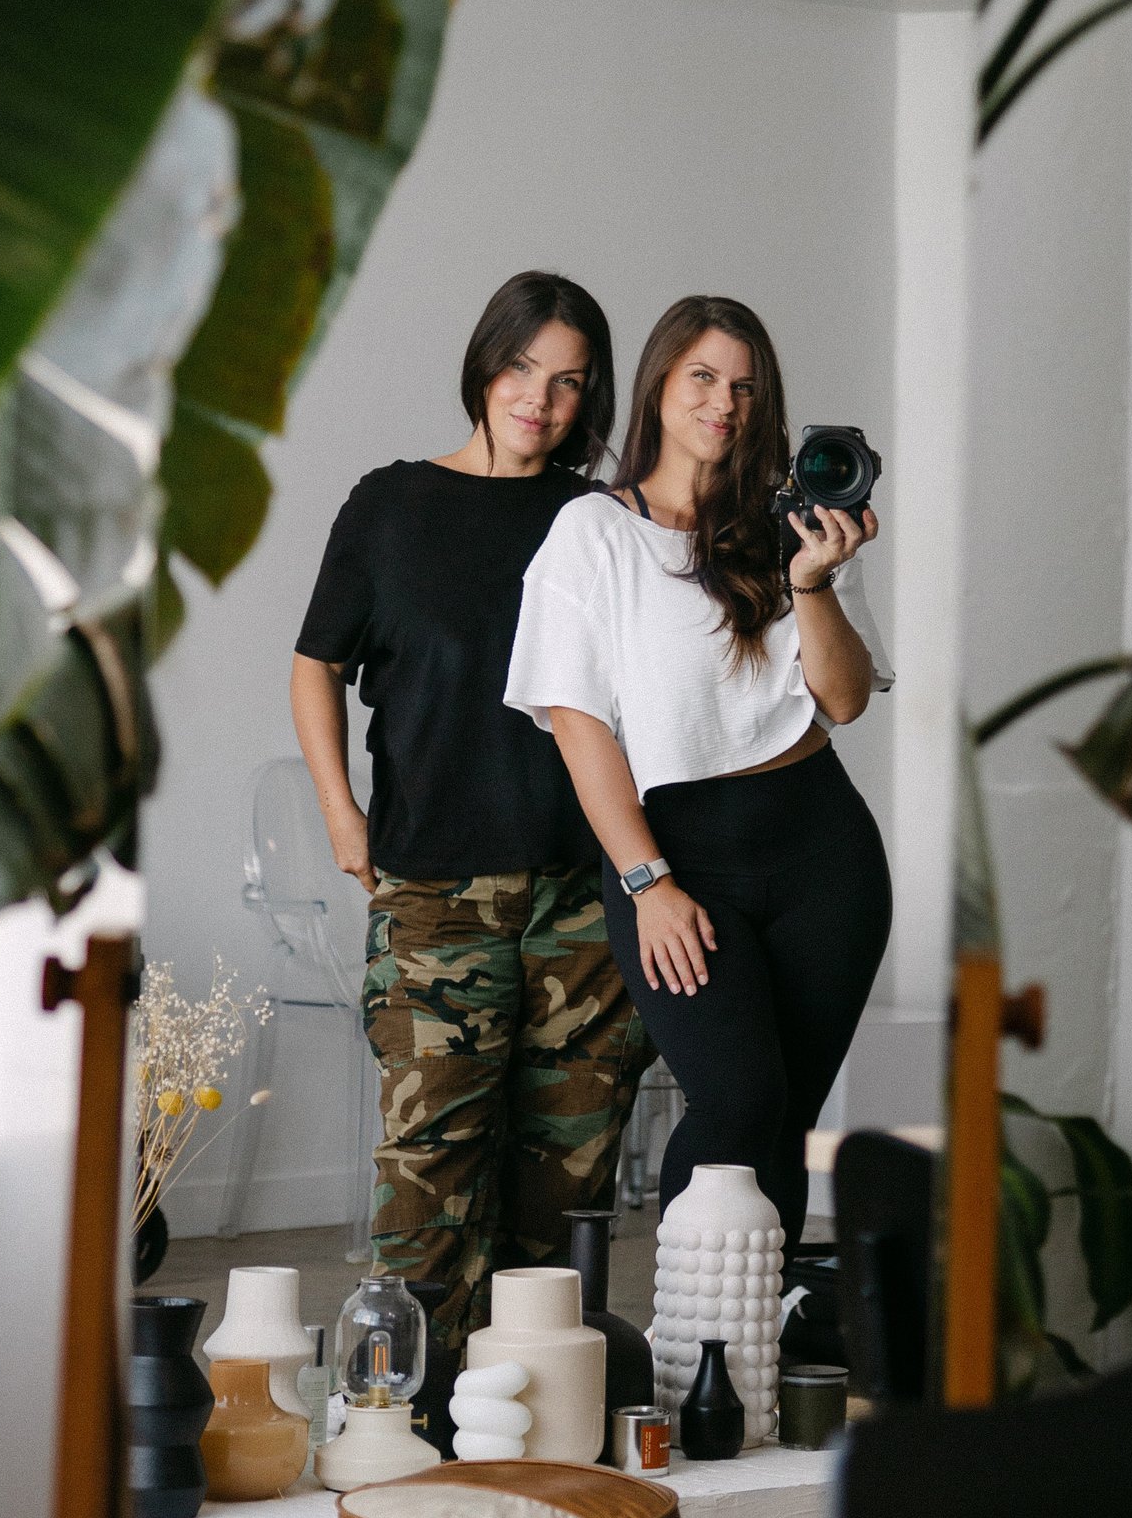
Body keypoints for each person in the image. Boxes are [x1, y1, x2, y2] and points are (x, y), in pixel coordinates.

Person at [291, 274, 649, 1346]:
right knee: (427, 1194)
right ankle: (401, 1429)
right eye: (521, 369)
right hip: (432, 890)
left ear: (592, 401)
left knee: (564, 1201)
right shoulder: (390, 505)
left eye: (569, 383)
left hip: (583, 902)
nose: (539, 400)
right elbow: (315, 665)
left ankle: (532, 1428)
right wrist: (341, 819)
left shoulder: (603, 522)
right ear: (484, 366)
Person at [505, 295, 891, 1254]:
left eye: (747, 389)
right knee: (738, 1108)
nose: (726, 405)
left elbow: (843, 700)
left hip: (821, 845)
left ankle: (751, 1369)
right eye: (704, 379)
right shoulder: (591, 534)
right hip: (681, 855)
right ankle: (692, 1348)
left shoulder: (795, 526)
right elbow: (579, 728)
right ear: (660, 386)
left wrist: (812, 585)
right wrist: (648, 883)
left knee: (783, 1125)